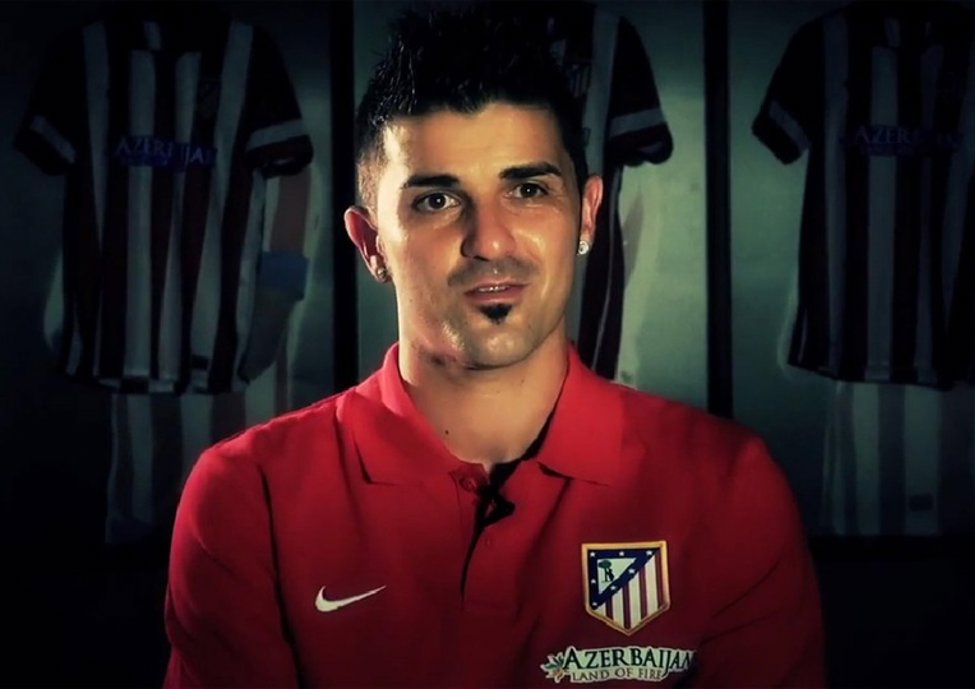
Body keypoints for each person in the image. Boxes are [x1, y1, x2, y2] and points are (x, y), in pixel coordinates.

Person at [163, 4, 825, 687]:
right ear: (371, 245)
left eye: (528, 189)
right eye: (436, 201)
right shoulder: (249, 498)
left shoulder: (729, 489)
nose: (490, 240)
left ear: (587, 215)